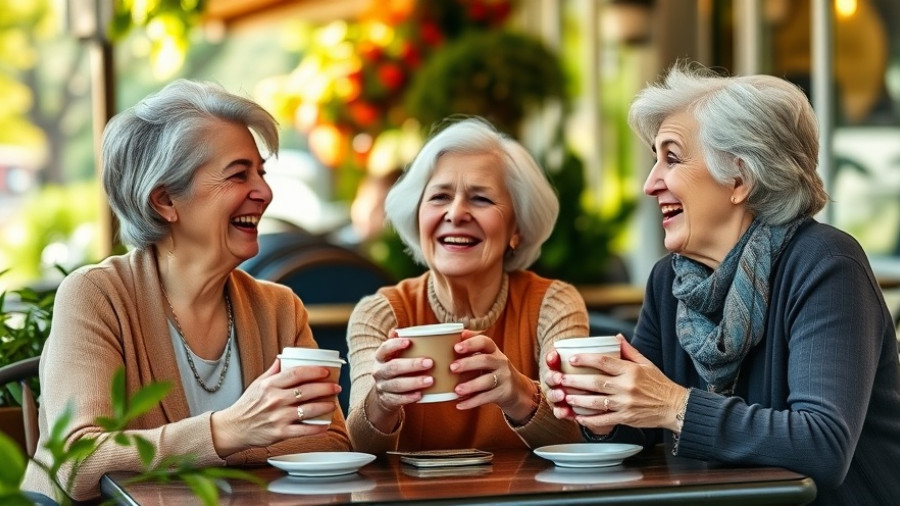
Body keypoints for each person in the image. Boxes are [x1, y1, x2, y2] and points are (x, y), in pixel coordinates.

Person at [544, 62, 900, 504]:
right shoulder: (669, 281)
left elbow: (822, 446)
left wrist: (675, 405)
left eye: (671, 158)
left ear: (740, 178)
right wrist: (602, 409)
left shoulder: (826, 264)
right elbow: (642, 431)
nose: (649, 183)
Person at [22, 80, 351, 501]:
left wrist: (210, 443)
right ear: (164, 201)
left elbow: (327, 443)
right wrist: (228, 430)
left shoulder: (279, 307)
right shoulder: (96, 295)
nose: (264, 192)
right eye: (238, 174)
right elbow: (77, 460)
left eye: (261, 173)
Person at [345, 117, 589, 453]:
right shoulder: (380, 313)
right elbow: (357, 449)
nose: (456, 213)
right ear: (418, 218)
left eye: (481, 199)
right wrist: (381, 401)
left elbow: (579, 438)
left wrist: (519, 395)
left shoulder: (552, 303)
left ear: (517, 228)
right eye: (440, 197)